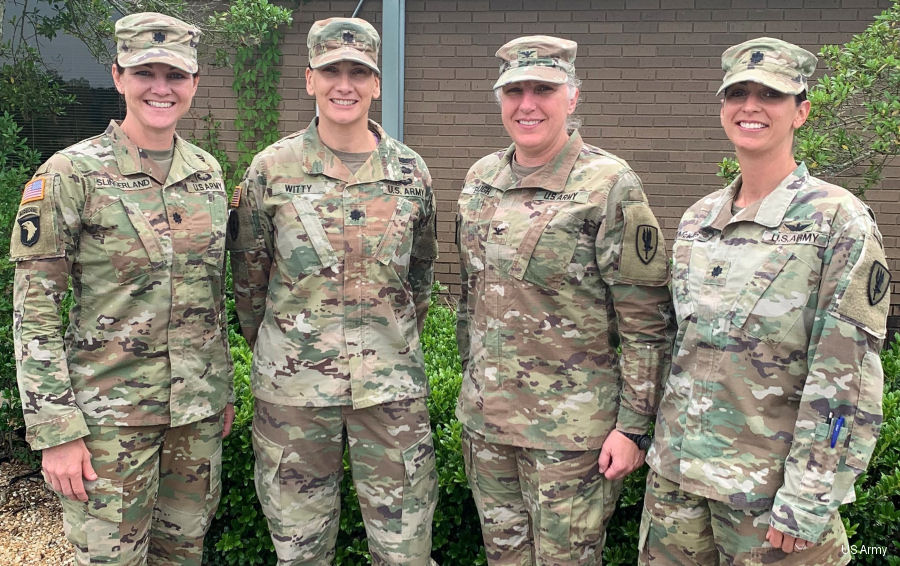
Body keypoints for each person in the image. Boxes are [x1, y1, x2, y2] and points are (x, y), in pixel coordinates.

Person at [641, 37, 891, 565]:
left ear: (801, 111)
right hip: (676, 488)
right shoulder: (697, 220)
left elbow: (845, 377)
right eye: (737, 93)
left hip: (767, 500)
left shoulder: (837, 221)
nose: (750, 107)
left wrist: (808, 498)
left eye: (770, 95)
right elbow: (676, 347)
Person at [10, 12, 233, 565]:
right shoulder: (69, 174)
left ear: (194, 84)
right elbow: (34, 310)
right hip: (109, 423)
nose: (161, 88)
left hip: (195, 419)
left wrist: (219, 390)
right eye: (145, 73)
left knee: (183, 553)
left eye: (175, 75)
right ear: (118, 76)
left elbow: (212, 294)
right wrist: (55, 429)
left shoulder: (206, 171)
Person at [455, 35, 675, 565]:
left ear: (572, 98)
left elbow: (647, 320)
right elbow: (470, 297)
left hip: (572, 434)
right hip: (487, 426)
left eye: (544, 90)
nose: (527, 104)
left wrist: (633, 426)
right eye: (514, 91)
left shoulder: (609, 184)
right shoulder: (481, 178)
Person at [226, 17, 438, 566]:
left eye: (358, 72)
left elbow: (419, 279)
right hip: (293, 398)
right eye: (331, 71)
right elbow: (250, 283)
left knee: (406, 555)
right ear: (309, 79)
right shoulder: (270, 171)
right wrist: (286, 350)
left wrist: (382, 345)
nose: (344, 84)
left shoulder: (411, 173)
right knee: (300, 554)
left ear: (374, 83)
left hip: (391, 395)